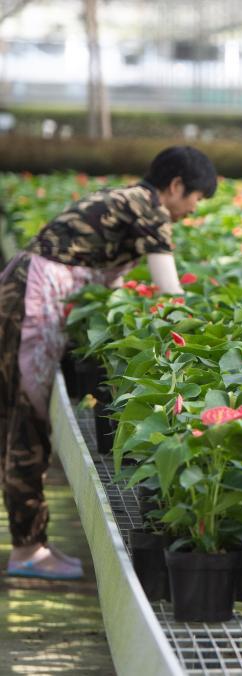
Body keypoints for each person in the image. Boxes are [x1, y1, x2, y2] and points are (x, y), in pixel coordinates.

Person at [0, 145, 216, 579]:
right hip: (32, 299)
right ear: (176, 186)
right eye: (196, 198)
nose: (194, 209)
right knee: (26, 423)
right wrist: (202, 342)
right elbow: (170, 293)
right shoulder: (150, 209)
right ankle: (27, 549)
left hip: (25, 290)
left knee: (19, 419)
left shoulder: (125, 200)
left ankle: (31, 543)